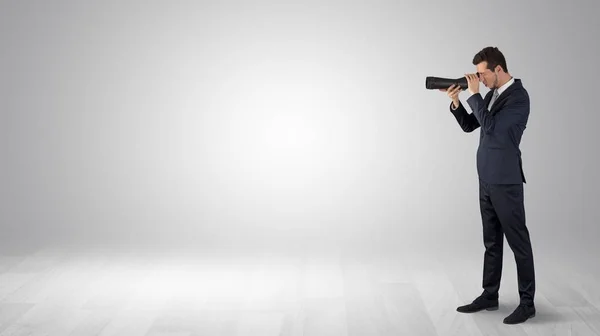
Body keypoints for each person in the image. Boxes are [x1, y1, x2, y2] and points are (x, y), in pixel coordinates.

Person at [441, 46, 536, 324]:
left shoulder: (519, 98)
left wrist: (475, 96)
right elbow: (473, 125)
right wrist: (458, 102)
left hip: (506, 182)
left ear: (498, 69)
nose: (479, 79)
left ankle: (527, 303)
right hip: (486, 178)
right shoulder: (493, 95)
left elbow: (493, 129)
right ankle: (489, 295)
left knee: (518, 243)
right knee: (491, 242)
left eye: (482, 74)